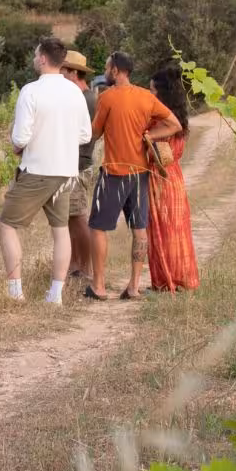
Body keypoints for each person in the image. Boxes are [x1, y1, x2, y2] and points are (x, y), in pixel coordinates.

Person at [0, 36, 93, 304]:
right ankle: (55, 294)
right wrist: (60, 138)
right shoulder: (75, 91)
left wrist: (21, 144)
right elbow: (85, 134)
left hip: (37, 169)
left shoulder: (31, 91)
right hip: (65, 172)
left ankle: (15, 291)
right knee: (60, 229)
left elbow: (20, 138)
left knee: (7, 225)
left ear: (42, 59)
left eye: (35, 54)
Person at [87, 51, 179, 300]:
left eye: (107, 67)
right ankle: (134, 286)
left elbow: (94, 134)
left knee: (97, 227)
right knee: (139, 229)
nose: (106, 71)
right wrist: (150, 136)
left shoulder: (107, 98)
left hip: (114, 172)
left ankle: (99, 286)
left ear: (116, 70)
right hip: (140, 172)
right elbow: (174, 124)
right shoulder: (146, 97)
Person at [147, 65, 200, 292]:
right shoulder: (179, 118)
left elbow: (151, 150)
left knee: (161, 230)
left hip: (158, 178)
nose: (149, 95)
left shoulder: (159, 121)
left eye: (152, 90)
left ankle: (164, 279)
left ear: (161, 93)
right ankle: (181, 277)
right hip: (175, 178)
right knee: (177, 230)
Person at [60, 50, 100, 280]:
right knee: (70, 218)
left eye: (63, 71)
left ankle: (86, 269)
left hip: (78, 165)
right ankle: (76, 265)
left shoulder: (86, 100)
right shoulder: (83, 98)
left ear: (74, 73)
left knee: (77, 217)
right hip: (72, 165)